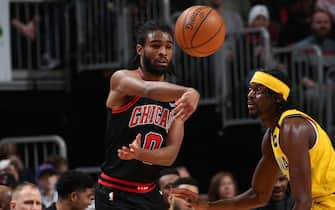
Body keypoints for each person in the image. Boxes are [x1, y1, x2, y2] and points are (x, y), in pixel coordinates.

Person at [173, 69, 335, 209]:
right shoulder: (272, 137)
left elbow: (304, 202)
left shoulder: (292, 128)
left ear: (277, 97)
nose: (250, 95)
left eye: (258, 90)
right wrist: (208, 206)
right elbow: (258, 196)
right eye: (250, 89)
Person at [94, 19, 200, 210]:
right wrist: (191, 91)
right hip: (115, 192)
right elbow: (148, 89)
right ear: (139, 49)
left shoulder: (175, 98)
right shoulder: (122, 79)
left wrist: (140, 154)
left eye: (168, 47)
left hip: (149, 193)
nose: (163, 52)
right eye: (156, 45)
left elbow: (170, 155)